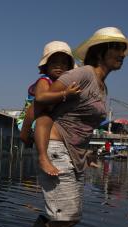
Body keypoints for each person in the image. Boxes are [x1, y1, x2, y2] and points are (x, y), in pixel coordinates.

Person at [19, 27, 128, 227]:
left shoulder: (101, 86)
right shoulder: (84, 74)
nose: (122, 54)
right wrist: (25, 132)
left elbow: (82, 126)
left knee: (65, 218)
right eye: (117, 48)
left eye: (123, 49)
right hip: (56, 148)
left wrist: (87, 155)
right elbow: (40, 103)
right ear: (100, 52)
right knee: (68, 217)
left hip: (74, 154)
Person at [20, 41, 81, 176]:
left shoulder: (65, 83)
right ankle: (43, 157)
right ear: (46, 66)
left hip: (50, 117)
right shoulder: (44, 80)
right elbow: (41, 98)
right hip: (36, 117)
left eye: (64, 63)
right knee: (45, 119)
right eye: (54, 63)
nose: (59, 66)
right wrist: (65, 94)